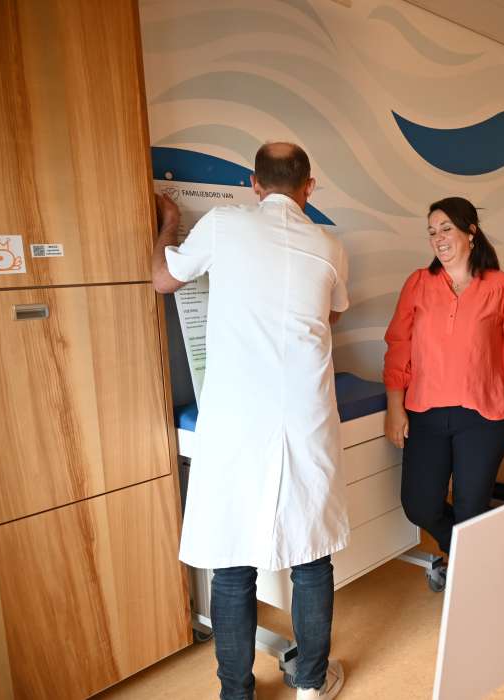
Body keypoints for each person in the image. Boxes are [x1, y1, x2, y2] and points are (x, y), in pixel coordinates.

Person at [152, 143, 348, 700]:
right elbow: (332, 312)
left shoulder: (223, 225)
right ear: (309, 187)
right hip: (305, 416)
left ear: (255, 185)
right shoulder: (330, 245)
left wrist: (169, 223)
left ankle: (235, 693)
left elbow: (163, 279)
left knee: (232, 561)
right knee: (311, 555)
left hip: (237, 421)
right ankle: (311, 683)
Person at [383, 196, 504, 591]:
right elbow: (399, 345)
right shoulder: (418, 284)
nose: (438, 238)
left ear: (471, 233)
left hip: (485, 414)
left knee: (471, 506)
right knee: (420, 504)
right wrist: (395, 406)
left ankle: (471, 581)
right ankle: (477, 558)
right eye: (432, 231)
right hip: (426, 411)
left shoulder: (501, 287)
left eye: (446, 228)